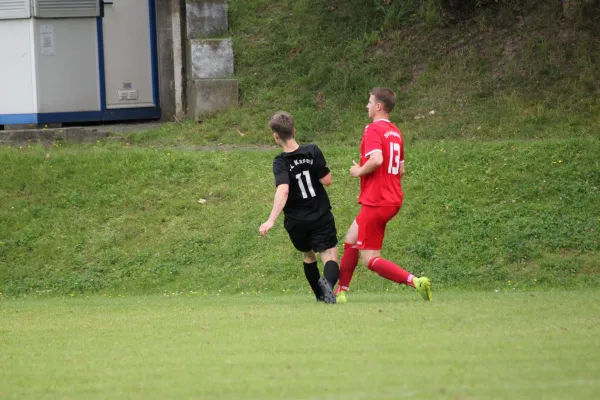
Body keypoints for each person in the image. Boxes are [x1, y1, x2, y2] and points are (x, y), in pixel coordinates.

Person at [334, 88, 432, 303]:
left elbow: (377, 159)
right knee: (351, 238)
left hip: (377, 201)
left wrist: (359, 171)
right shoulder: (396, 132)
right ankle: (341, 291)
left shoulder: (372, 130)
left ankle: (415, 281)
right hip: (392, 198)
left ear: (379, 106)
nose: (367, 106)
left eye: (369, 102)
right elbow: (401, 170)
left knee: (370, 259)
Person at [259, 111, 340, 304]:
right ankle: (327, 284)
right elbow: (327, 181)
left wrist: (271, 220)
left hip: (296, 221)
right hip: (320, 214)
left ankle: (320, 296)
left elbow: (283, 190)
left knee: (308, 255)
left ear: (276, 136)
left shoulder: (280, 162)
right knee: (329, 255)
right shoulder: (312, 151)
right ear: (294, 130)